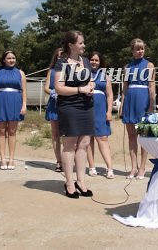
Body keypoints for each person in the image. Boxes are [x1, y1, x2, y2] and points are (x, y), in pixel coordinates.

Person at [54, 30, 95, 198]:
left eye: (83, 42)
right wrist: (80, 89)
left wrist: (91, 86)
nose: (83, 45)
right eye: (80, 43)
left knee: (84, 143)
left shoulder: (85, 61)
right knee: (70, 144)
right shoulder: (61, 64)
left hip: (86, 106)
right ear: (71, 45)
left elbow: (90, 80)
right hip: (69, 106)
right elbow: (59, 88)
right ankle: (69, 183)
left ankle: (81, 181)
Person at [120, 38, 155, 179]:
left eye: (142, 49)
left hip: (143, 99)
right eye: (137, 49)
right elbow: (124, 88)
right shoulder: (127, 67)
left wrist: (151, 105)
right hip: (130, 100)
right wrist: (122, 105)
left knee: (143, 135)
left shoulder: (149, 65)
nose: (140, 51)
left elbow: (152, 86)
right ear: (132, 50)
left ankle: (142, 167)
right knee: (131, 135)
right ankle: (133, 167)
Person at [0, 50, 27, 170]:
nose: (11, 60)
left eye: (13, 58)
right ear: (4, 60)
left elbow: (24, 91)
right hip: (0, 102)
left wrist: (24, 105)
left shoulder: (21, 73)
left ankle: (11, 159)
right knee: (1, 130)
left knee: (12, 131)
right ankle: (2, 159)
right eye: (9, 58)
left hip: (15, 101)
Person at [86, 51, 114, 179]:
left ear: (100, 62)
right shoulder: (83, 74)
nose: (94, 62)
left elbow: (110, 95)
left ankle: (109, 168)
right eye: (92, 59)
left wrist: (109, 111)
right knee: (88, 139)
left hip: (101, 109)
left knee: (102, 138)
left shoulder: (105, 76)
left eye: (96, 60)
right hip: (86, 108)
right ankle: (92, 167)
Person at [44, 48, 63, 172]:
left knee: (68, 134)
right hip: (54, 103)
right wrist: (53, 92)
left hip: (67, 104)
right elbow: (46, 87)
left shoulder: (71, 71)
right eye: (59, 55)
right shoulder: (51, 71)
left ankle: (68, 159)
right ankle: (59, 161)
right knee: (55, 134)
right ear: (56, 57)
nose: (61, 57)